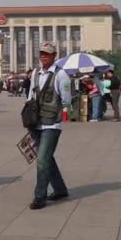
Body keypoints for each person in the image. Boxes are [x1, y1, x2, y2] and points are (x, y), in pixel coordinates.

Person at [26, 43, 71, 210]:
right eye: (42, 53)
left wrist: (60, 117)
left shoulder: (61, 75)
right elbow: (31, 94)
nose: (44, 56)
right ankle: (60, 189)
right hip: (36, 122)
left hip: (52, 124)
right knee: (47, 158)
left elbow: (66, 100)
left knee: (42, 161)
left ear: (54, 56)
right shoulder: (36, 73)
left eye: (47, 54)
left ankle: (40, 197)